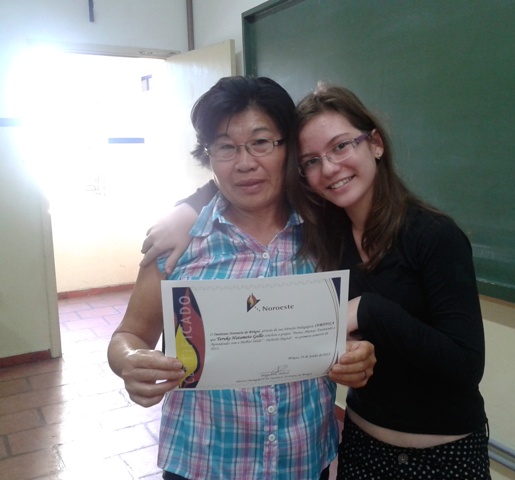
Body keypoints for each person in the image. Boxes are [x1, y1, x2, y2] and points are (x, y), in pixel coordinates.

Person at [142, 83, 490, 479]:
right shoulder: (325, 232)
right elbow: (244, 177)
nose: (329, 168)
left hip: (443, 455)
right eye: (311, 161)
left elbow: (466, 366)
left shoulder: (433, 235)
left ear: (375, 143)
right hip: (362, 445)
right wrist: (187, 209)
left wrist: (368, 310)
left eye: (341, 146)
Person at [108, 76, 376, 480]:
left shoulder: (326, 233)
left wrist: (356, 354)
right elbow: (128, 335)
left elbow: (343, 329)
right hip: (203, 463)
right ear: (208, 156)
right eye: (225, 147)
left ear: (288, 149)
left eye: (261, 142)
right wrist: (131, 361)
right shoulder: (176, 245)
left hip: (303, 459)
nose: (245, 163)